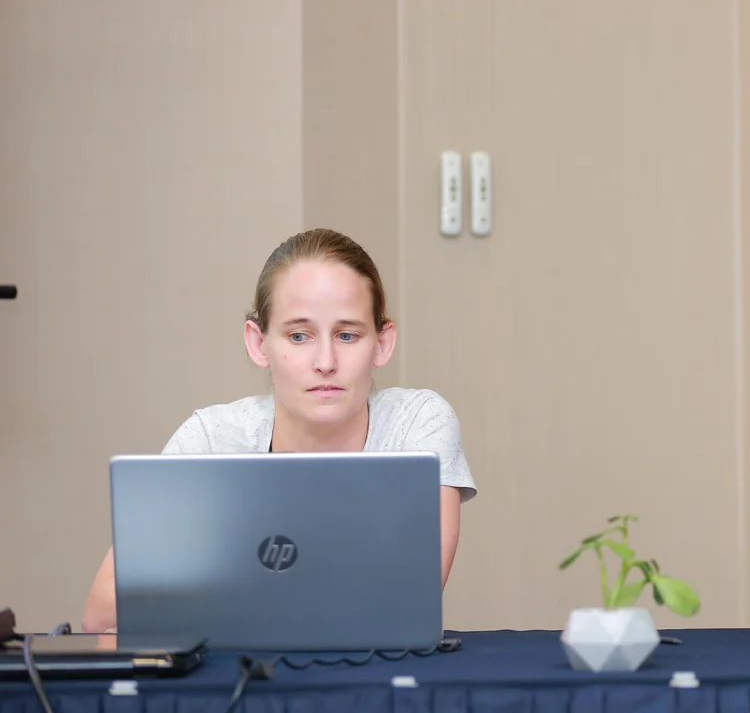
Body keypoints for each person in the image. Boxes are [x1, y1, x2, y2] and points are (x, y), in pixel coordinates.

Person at [81, 228, 476, 633]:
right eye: (299, 336)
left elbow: (409, 601)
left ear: (382, 343)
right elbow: (104, 613)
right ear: (258, 344)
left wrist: (213, 599)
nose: (325, 362)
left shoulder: (418, 423)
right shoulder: (211, 439)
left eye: (347, 335)